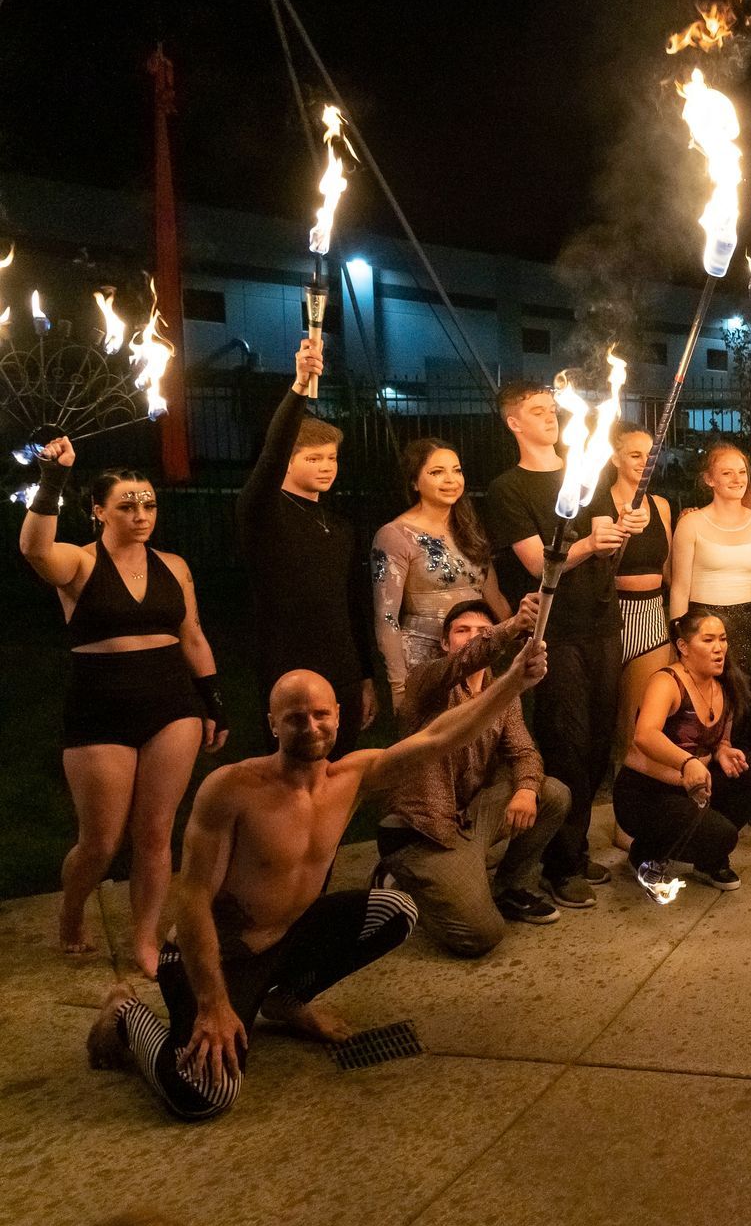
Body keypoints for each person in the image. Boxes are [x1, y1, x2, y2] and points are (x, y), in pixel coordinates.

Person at [85, 633, 550, 1122]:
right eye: (295, 717)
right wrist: (212, 1003)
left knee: (396, 910)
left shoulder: (350, 779)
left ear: (338, 717)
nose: (310, 725)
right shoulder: (232, 789)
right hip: (223, 955)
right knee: (204, 1094)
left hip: (287, 938)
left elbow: (440, 736)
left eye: (320, 714)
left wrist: (513, 681)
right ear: (272, 725)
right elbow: (193, 898)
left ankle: (287, 999)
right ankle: (126, 1016)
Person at [20, 440, 227, 975]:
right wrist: (51, 478)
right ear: (98, 510)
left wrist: (213, 703)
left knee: (157, 831)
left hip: (170, 702)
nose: (141, 516)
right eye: (127, 506)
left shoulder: (174, 566)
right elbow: (35, 549)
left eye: (149, 505)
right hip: (99, 706)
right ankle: (72, 908)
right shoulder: (79, 562)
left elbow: (194, 636)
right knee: (100, 842)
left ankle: (144, 938)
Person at [485, 380, 633, 908]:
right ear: (513, 423)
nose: (550, 416)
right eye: (537, 410)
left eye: (553, 409)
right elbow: (536, 564)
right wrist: (591, 544)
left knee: (597, 745)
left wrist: (619, 534)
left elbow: (604, 548)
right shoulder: (508, 489)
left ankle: (570, 845)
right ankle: (561, 864)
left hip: (602, 622)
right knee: (566, 743)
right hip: (558, 632)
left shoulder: (588, 469)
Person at [374, 596, 571, 956]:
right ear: (445, 643)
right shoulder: (426, 681)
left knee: (552, 793)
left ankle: (509, 888)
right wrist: (510, 626)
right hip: (421, 831)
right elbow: (468, 659)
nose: (473, 637)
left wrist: (526, 790)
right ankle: (404, 880)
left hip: (466, 820)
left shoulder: (503, 694)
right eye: (462, 631)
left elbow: (524, 752)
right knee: (482, 935)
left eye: (482, 630)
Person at [236, 336, 376, 755]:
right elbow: (270, 456)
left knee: (340, 778)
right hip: (289, 669)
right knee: (292, 779)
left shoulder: (339, 526)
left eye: (331, 458)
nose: (326, 467)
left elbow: (354, 604)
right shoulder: (263, 511)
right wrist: (299, 387)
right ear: (289, 462)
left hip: (344, 673)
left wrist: (365, 675)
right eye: (314, 458)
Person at [613, 612, 751, 891]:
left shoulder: (724, 683)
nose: (719, 648)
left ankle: (707, 860)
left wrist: (723, 750)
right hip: (648, 790)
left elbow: (719, 738)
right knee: (722, 836)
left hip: (695, 783)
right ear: (684, 647)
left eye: (723, 639)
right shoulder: (667, 682)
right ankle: (646, 854)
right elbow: (644, 735)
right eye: (708, 640)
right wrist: (686, 762)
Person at [372, 438, 508, 713]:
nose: (451, 480)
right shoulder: (395, 535)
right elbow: (386, 617)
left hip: (474, 656)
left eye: (456, 470)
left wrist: (518, 632)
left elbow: (493, 598)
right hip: (425, 661)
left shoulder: (470, 530)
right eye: (437, 472)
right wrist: (399, 686)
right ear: (414, 482)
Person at [669, 442, 751, 685]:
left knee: (745, 706)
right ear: (709, 479)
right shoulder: (690, 524)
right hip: (701, 626)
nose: (737, 479)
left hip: (746, 626)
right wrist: (679, 641)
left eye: (742, 472)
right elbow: (679, 588)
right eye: (727, 473)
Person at [605, 423, 677, 760]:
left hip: (651, 617)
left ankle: (630, 798)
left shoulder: (661, 505)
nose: (644, 462)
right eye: (635, 454)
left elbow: (669, 569)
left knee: (639, 719)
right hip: (610, 614)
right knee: (607, 712)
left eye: (650, 455)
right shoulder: (600, 503)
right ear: (615, 458)